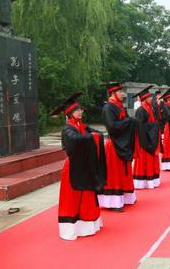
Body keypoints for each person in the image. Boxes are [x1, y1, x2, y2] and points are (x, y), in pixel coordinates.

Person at [52, 93, 106, 240]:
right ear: (70, 113)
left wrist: (96, 135)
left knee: (87, 194)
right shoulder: (68, 129)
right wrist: (91, 137)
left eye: (81, 109)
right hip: (73, 167)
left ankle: (88, 223)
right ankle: (71, 228)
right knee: (73, 197)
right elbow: (75, 141)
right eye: (77, 110)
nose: (81, 112)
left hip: (83, 165)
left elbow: (95, 133)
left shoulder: (81, 125)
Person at [97, 82, 137, 211]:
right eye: (120, 92)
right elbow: (112, 127)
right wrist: (128, 121)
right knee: (114, 173)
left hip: (122, 142)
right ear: (113, 94)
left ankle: (124, 197)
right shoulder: (108, 108)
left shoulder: (120, 107)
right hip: (114, 144)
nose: (123, 94)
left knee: (123, 171)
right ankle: (113, 202)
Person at [132, 85, 161, 189]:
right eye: (149, 97)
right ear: (144, 98)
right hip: (144, 139)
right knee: (144, 160)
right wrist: (154, 126)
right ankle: (142, 182)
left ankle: (152, 180)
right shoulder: (140, 110)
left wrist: (155, 125)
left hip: (151, 137)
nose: (151, 98)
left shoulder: (151, 108)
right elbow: (140, 126)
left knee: (152, 160)